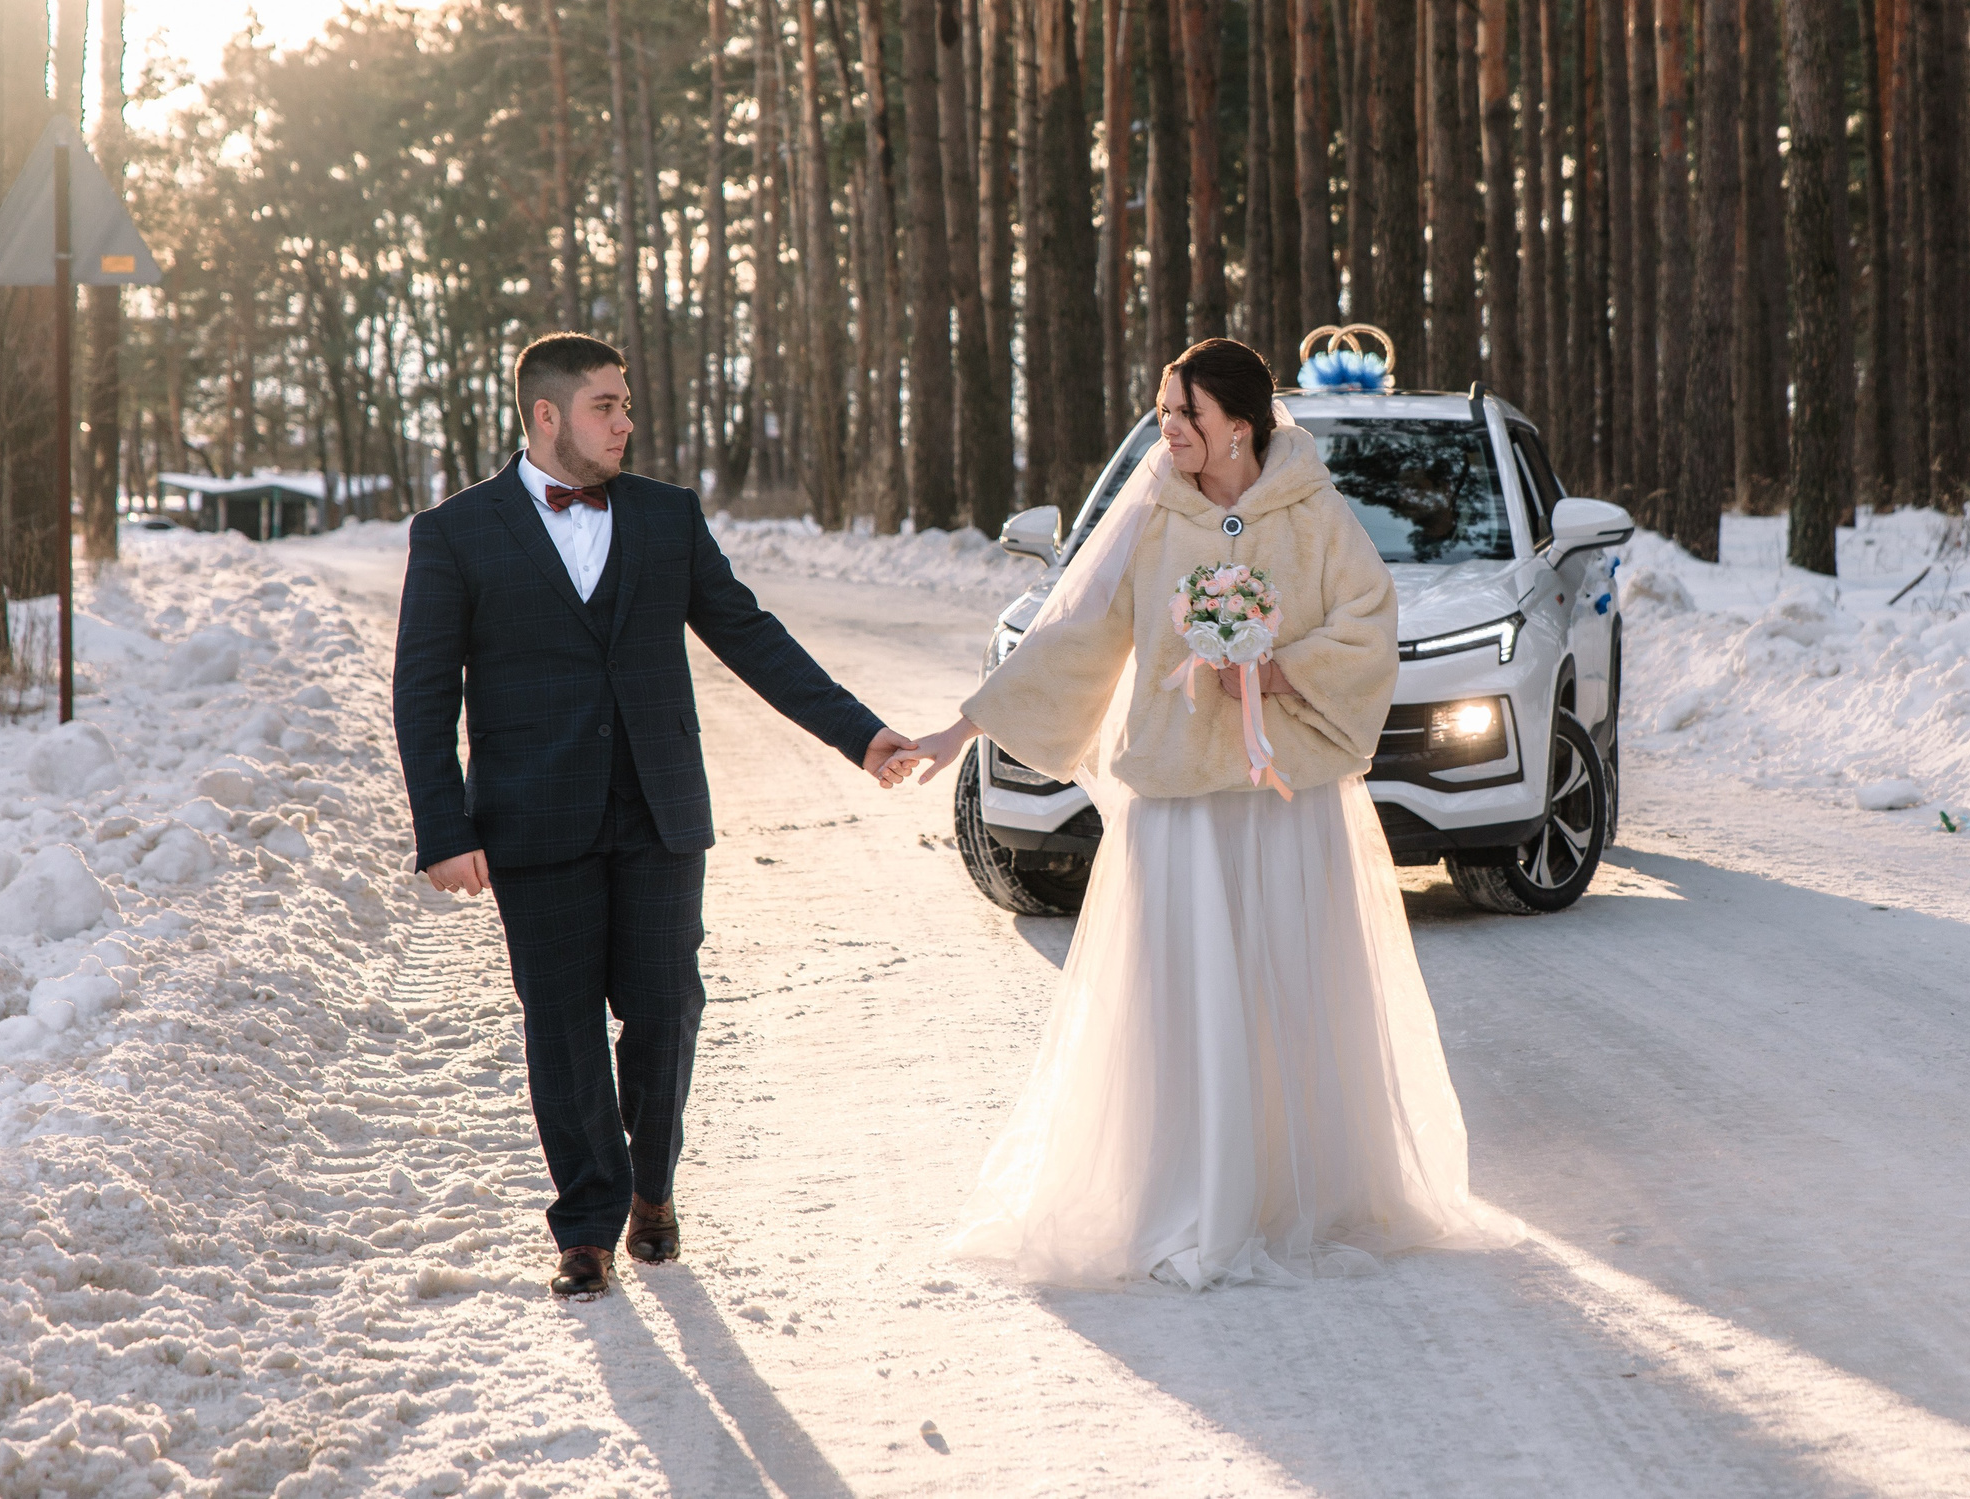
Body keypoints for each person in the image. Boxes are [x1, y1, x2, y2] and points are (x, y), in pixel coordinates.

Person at [888, 338, 1498, 1289]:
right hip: (1177, 802)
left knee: (1291, 991)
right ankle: (1184, 1190)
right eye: (1165, 411)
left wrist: (1276, 670)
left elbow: (1370, 622)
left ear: (1240, 428)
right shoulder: (1150, 513)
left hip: (1285, 801)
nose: (1167, 429)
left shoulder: (1314, 511)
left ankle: (1290, 1194)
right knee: (1183, 998)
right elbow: (1073, 636)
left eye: (1187, 414)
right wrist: (962, 727)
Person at [392, 333, 912, 1302]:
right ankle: (588, 1223)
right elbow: (422, 694)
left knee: (667, 1007)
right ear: (546, 415)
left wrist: (860, 734)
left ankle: (652, 1184)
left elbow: (752, 638)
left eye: (626, 403)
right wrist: (445, 828)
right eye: (606, 405)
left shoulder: (668, 517)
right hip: (533, 820)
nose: (625, 422)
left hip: (660, 811)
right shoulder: (456, 533)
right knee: (562, 1025)